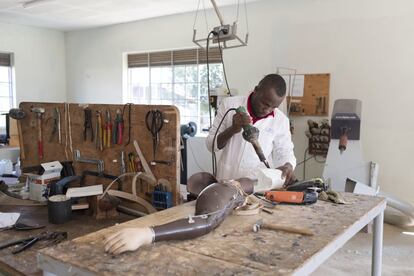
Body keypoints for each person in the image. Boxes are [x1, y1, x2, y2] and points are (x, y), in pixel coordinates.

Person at [104, 175, 254, 255]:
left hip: (231, 189)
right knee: (209, 218)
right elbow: (205, 221)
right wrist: (147, 234)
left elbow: (206, 221)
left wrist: (147, 234)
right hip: (229, 188)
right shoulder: (225, 188)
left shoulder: (226, 189)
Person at [206, 74, 296, 185]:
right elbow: (211, 145)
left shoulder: (280, 120)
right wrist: (233, 129)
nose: (267, 110)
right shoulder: (229, 105)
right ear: (256, 90)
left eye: (273, 107)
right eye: (264, 103)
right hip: (226, 181)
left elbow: (285, 151)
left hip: (257, 185)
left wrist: (288, 165)